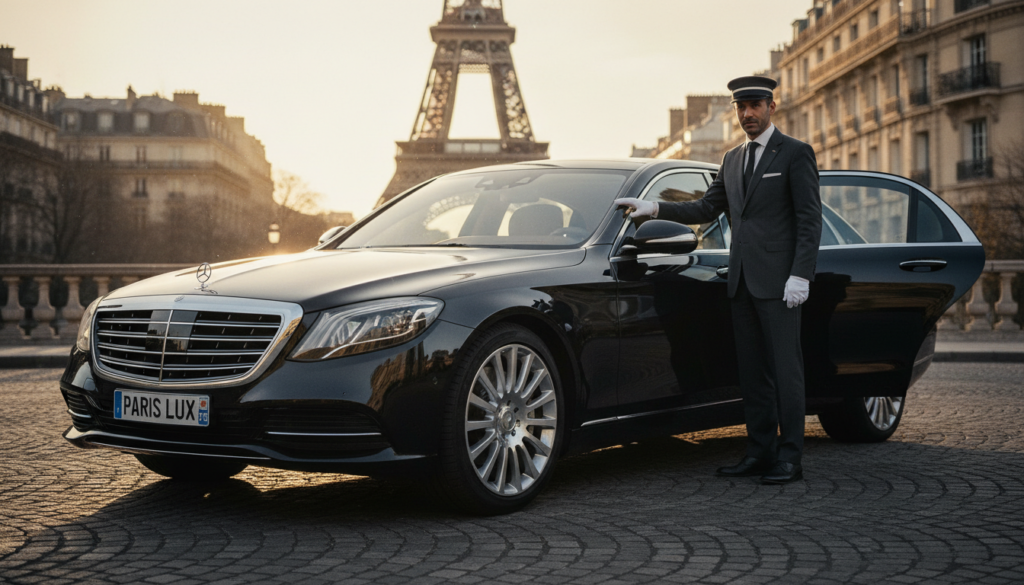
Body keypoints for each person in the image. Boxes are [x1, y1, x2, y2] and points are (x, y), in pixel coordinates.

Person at [615, 76, 821, 484]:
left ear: (771, 107)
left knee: (786, 372)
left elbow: (809, 220)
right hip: (741, 282)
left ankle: (790, 458)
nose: (747, 114)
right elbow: (706, 208)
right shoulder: (731, 159)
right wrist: (653, 207)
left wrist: (800, 275)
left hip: (781, 284)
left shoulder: (795, 154)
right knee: (753, 375)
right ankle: (760, 453)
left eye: (755, 106)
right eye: (741, 107)